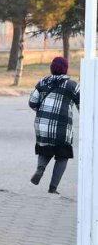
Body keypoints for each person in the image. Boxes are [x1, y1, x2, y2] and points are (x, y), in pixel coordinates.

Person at [29, 56, 79, 195]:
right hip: (62, 128)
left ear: (52, 67)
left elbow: (32, 102)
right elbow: (83, 106)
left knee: (45, 149)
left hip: (42, 126)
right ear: (66, 69)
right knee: (62, 156)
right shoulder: (72, 85)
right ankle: (53, 188)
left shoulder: (42, 82)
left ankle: (40, 168)